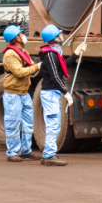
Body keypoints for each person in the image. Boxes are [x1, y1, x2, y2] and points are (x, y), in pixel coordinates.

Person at [0, 25, 42, 162]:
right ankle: (12, 152)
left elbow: (31, 67)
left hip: (24, 92)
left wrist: (38, 66)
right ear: (16, 38)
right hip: (13, 94)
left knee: (28, 122)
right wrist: (37, 67)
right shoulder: (10, 54)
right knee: (13, 122)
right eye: (21, 34)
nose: (24, 36)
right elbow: (19, 72)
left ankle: (26, 150)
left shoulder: (22, 51)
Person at [36, 24, 70, 166]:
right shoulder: (50, 55)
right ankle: (49, 156)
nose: (61, 36)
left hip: (52, 93)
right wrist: (66, 92)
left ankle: (49, 154)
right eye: (59, 35)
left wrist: (76, 54)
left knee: (55, 125)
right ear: (54, 38)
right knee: (52, 124)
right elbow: (55, 76)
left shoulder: (54, 54)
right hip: (50, 93)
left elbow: (62, 66)